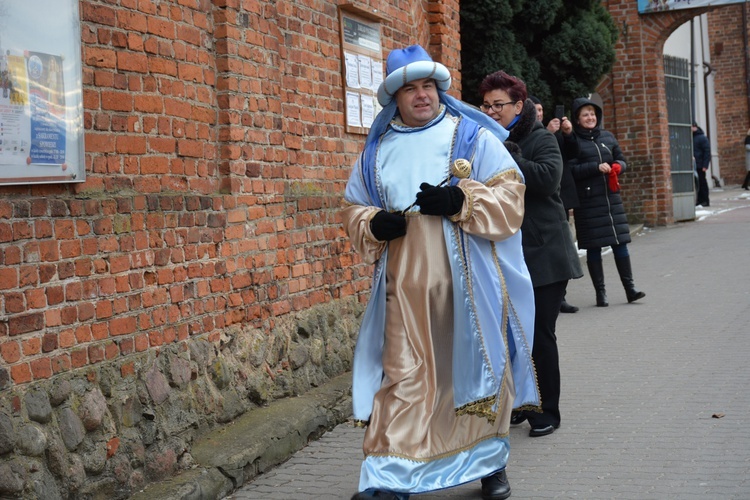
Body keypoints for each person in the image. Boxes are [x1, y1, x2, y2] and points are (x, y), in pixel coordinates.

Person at [342, 45, 539, 500]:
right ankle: (387, 478)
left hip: (469, 288)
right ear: (395, 98)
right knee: (401, 380)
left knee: (474, 377)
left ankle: (490, 465)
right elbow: (353, 207)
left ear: (439, 90)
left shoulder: (472, 138)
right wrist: (373, 222)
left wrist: (461, 201)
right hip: (403, 291)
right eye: (410, 89)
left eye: (428, 86)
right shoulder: (376, 152)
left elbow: (512, 196)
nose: (421, 95)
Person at [479, 71, 582, 438]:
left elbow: (547, 179)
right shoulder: (486, 142)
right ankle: (523, 402)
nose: (491, 112)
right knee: (510, 335)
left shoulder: (541, 138)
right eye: (486, 105)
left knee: (539, 336)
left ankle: (547, 411)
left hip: (545, 255)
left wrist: (509, 157)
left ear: (519, 106)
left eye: (499, 105)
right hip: (506, 255)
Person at [567, 97, 646, 307]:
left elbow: (622, 159)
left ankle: (630, 289)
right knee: (594, 248)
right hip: (589, 201)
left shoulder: (607, 137)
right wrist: (595, 167)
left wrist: (618, 166)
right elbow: (571, 170)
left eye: (593, 114)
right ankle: (600, 294)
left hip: (611, 199)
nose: (590, 117)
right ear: (577, 118)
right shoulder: (574, 141)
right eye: (585, 114)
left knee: (621, 244)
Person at [692, 122, 711, 207]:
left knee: (702, 183)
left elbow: (707, 152)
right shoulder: (693, 137)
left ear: (694, 127)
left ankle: (705, 200)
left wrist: (705, 165)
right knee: (698, 183)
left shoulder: (702, 138)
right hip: (695, 163)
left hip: (700, 164)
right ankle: (700, 200)